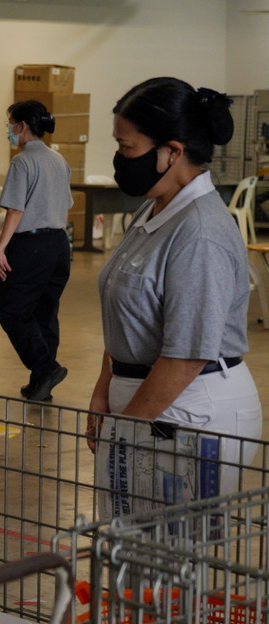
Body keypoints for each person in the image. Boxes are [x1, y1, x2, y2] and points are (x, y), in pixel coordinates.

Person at [87, 78, 263, 520]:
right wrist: (104, 390)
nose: (120, 159)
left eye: (126, 148)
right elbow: (129, 315)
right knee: (130, 556)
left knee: (170, 564)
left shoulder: (199, 231)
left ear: (172, 151)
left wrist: (126, 429)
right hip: (145, 401)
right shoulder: (155, 209)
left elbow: (185, 355)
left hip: (189, 409)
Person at [0, 100, 73, 402]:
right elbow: (66, 206)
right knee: (45, 312)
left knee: (12, 311)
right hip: (58, 244)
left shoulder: (22, 162)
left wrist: (1, 247)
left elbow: (15, 210)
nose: (9, 130)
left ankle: (45, 367)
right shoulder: (59, 160)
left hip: (31, 245)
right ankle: (41, 383)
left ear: (22, 126)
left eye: (10, 124)